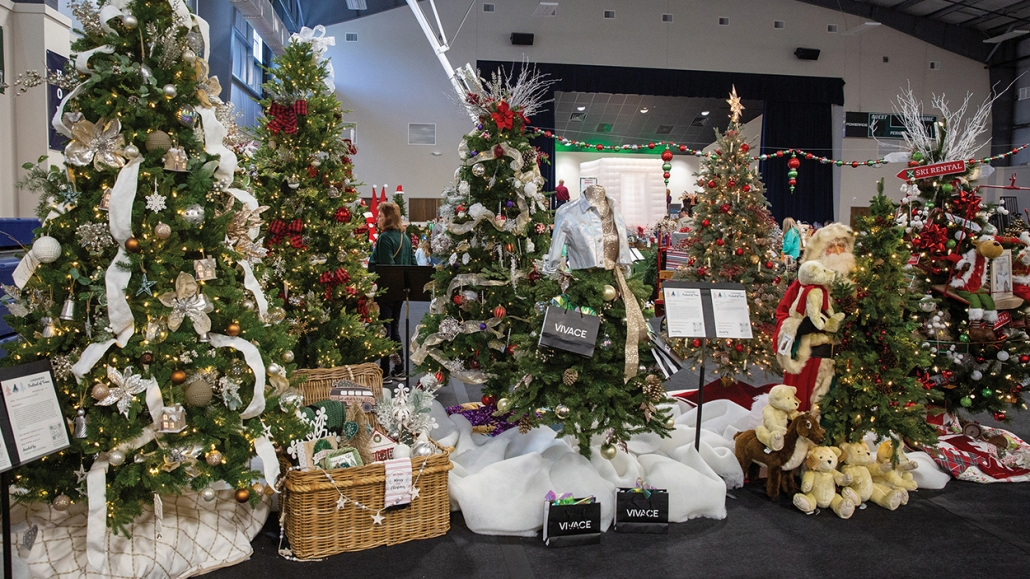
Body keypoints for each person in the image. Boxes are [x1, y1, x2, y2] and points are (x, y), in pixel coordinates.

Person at [368, 202, 415, 380]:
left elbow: (387, 267)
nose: (377, 219)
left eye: (379, 216)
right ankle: (400, 368)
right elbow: (413, 265)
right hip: (400, 290)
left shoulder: (385, 238)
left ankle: (385, 371)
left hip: (386, 289)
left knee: (383, 329)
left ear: (388, 217)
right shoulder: (406, 238)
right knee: (393, 328)